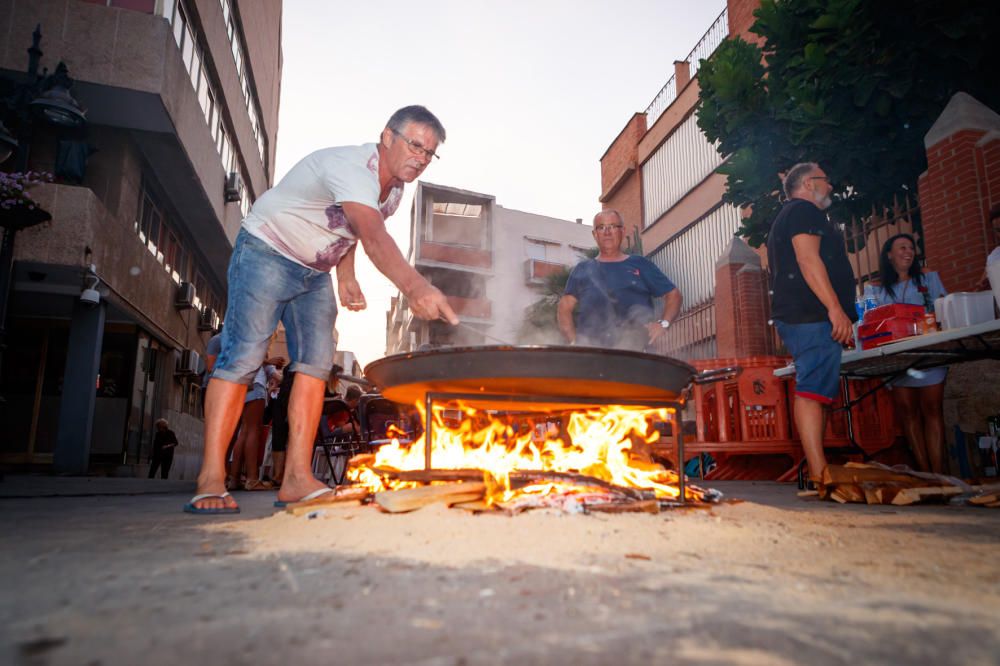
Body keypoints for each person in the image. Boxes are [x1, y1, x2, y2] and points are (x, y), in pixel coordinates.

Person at [185, 105, 459, 514]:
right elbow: (372, 234)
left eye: (429, 152)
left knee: (315, 365)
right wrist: (416, 287)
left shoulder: (396, 189)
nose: (420, 157)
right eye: (415, 144)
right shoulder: (352, 167)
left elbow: (347, 229)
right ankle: (210, 479)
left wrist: (345, 275)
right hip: (268, 250)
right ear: (387, 137)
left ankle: (296, 478)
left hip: (313, 273)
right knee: (243, 357)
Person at [767, 162, 857, 484]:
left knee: (815, 388)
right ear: (808, 183)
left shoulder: (790, 215)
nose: (830, 185)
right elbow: (808, 260)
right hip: (810, 316)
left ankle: (820, 471)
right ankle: (820, 474)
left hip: (803, 316)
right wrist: (834, 308)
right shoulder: (804, 212)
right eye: (825, 179)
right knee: (811, 390)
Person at [862, 234, 948, 473]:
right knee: (908, 414)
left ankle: (940, 474)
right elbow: (867, 321)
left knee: (932, 410)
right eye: (902, 247)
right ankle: (924, 474)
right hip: (897, 360)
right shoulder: (874, 288)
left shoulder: (928, 277)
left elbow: (943, 306)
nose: (908, 251)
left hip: (930, 354)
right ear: (889, 254)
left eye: (911, 247)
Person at [557, 210, 682, 351]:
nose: (607, 232)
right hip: (592, 356)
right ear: (595, 234)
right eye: (601, 227)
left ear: (622, 231)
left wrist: (663, 324)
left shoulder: (640, 264)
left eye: (612, 226)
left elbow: (673, 295)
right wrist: (575, 344)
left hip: (638, 354)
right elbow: (564, 308)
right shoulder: (583, 269)